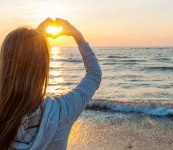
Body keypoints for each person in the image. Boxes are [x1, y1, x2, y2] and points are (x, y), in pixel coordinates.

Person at [0, 18, 102, 150]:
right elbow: (94, 74)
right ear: (42, 67)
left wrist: (32, 40)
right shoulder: (62, 111)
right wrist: (77, 36)